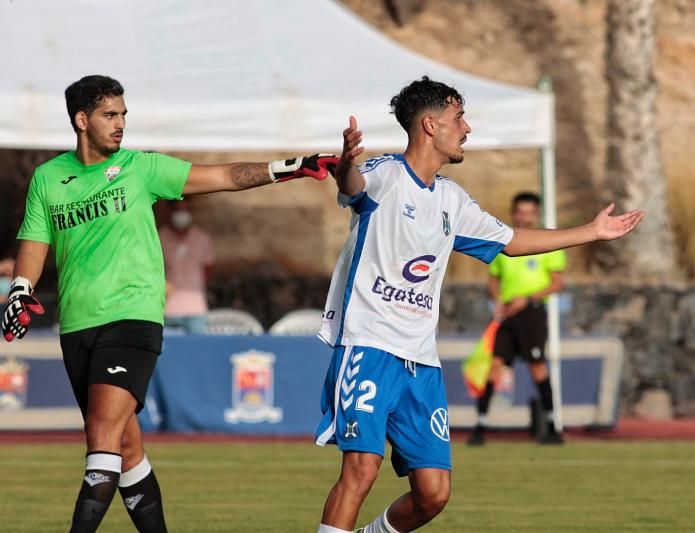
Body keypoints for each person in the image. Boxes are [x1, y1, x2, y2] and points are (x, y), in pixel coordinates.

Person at [0, 75, 337, 533]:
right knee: (126, 450)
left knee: (100, 443)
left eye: (123, 115)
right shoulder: (48, 178)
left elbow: (221, 176)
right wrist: (21, 288)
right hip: (77, 326)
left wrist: (289, 167)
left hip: (133, 321)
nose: (120, 124)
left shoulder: (142, 168)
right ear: (81, 120)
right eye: (109, 115)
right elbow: (35, 242)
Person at [314, 76, 645, 533]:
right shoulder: (385, 174)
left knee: (434, 493)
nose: (466, 128)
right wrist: (346, 164)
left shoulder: (452, 199)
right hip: (367, 347)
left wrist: (591, 232)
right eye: (459, 119)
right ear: (430, 126)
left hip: (420, 362)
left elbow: (511, 241)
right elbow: (353, 188)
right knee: (361, 470)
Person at [468, 192, 566, 447]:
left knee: (537, 368)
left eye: (528, 212)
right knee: (494, 367)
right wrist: (498, 300)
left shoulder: (547, 243)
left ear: (536, 214)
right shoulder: (503, 243)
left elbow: (557, 284)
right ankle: (480, 426)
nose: (524, 217)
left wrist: (529, 298)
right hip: (507, 315)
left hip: (531, 313)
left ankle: (553, 425)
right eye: (519, 212)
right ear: (514, 213)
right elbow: (493, 281)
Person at [159, 199, 214, 334]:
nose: (182, 214)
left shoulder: (202, 238)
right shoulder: (159, 237)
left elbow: (208, 268)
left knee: (197, 350)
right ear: (169, 211)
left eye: (185, 210)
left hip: (196, 308)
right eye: (178, 209)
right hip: (167, 309)